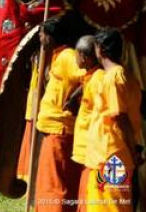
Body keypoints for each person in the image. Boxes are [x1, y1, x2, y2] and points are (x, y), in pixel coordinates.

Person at [81, 29, 142, 212]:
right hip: (108, 152)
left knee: (112, 205)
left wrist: (132, 150)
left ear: (100, 49)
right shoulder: (126, 76)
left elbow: (120, 116)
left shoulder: (114, 77)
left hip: (112, 152)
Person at [33, 16, 82, 212]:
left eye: (42, 34)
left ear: (51, 36)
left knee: (56, 186)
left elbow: (89, 76)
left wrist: (72, 99)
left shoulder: (68, 56)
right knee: (49, 183)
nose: (39, 36)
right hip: (53, 130)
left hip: (60, 130)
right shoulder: (55, 55)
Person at [66, 35, 100, 210]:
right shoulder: (89, 77)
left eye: (76, 55)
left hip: (93, 150)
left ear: (83, 57)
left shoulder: (98, 79)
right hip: (86, 150)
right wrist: (73, 96)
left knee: (88, 200)